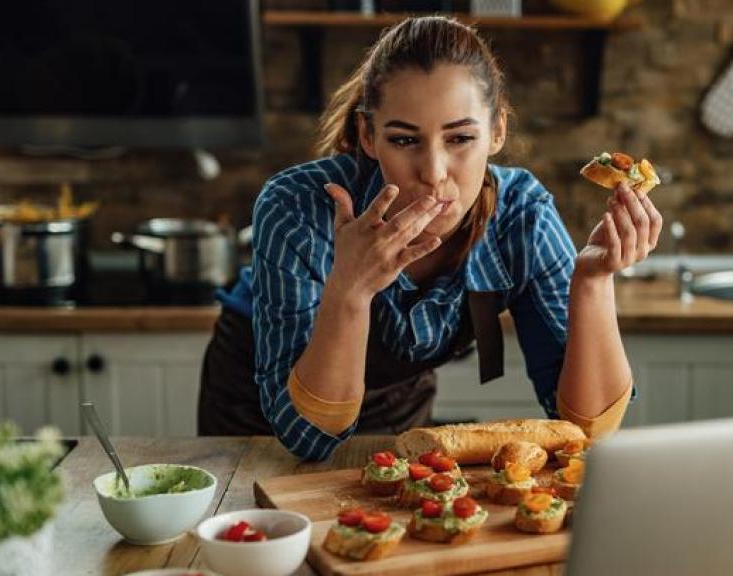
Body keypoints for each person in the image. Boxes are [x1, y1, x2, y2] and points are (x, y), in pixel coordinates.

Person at [198, 16, 663, 461]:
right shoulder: (297, 206)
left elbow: (585, 430)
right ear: (368, 134)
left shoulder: (522, 215)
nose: (434, 173)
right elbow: (306, 438)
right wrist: (350, 289)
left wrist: (593, 281)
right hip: (257, 412)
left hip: (399, 400)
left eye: (460, 139)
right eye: (404, 141)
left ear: (497, 131)